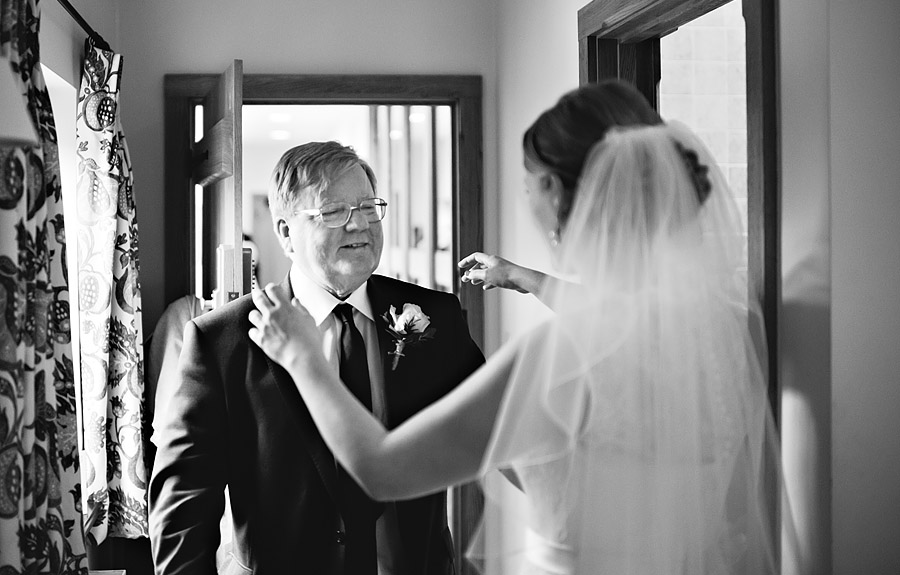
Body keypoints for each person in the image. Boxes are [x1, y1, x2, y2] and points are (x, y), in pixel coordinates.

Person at [248, 80, 801, 574]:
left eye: (528, 182)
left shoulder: (555, 357)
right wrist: (530, 279)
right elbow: (625, 319)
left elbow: (383, 470)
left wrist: (301, 356)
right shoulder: (727, 329)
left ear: (557, 194)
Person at [149, 141, 485, 575]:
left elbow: (497, 429)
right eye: (333, 212)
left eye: (368, 206)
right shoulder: (221, 342)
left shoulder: (433, 318)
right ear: (286, 232)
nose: (359, 225)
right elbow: (183, 512)